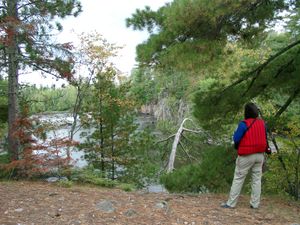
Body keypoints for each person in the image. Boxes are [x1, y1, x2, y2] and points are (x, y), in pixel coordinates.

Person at [221, 102, 268, 209]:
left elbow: (236, 139)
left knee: (238, 178)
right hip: (260, 155)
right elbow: (264, 137)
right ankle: (255, 204)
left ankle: (231, 203)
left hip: (246, 156)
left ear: (246, 112)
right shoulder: (262, 123)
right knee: (256, 180)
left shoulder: (243, 124)